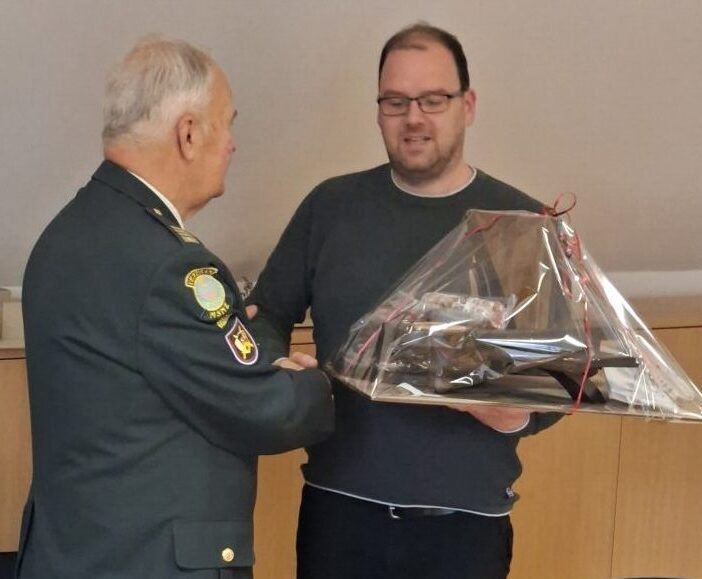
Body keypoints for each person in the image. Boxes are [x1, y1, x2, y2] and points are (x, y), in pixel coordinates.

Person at [248, 23, 561, 579]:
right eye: (395, 102)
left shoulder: (520, 224)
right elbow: (266, 313)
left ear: (467, 105)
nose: (413, 118)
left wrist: (514, 414)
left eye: (432, 100)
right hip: (338, 515)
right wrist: (280, 373)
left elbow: (560, 376)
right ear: (379, 111)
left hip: (467, 528)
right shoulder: (331, 207)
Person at [18, 38, 333, 579]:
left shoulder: (64, 235)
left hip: (74, 553)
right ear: (188, 134)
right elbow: (266, 408)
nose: (232, 144)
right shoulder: (170, 266)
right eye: (227, 125)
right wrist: (316, 385)